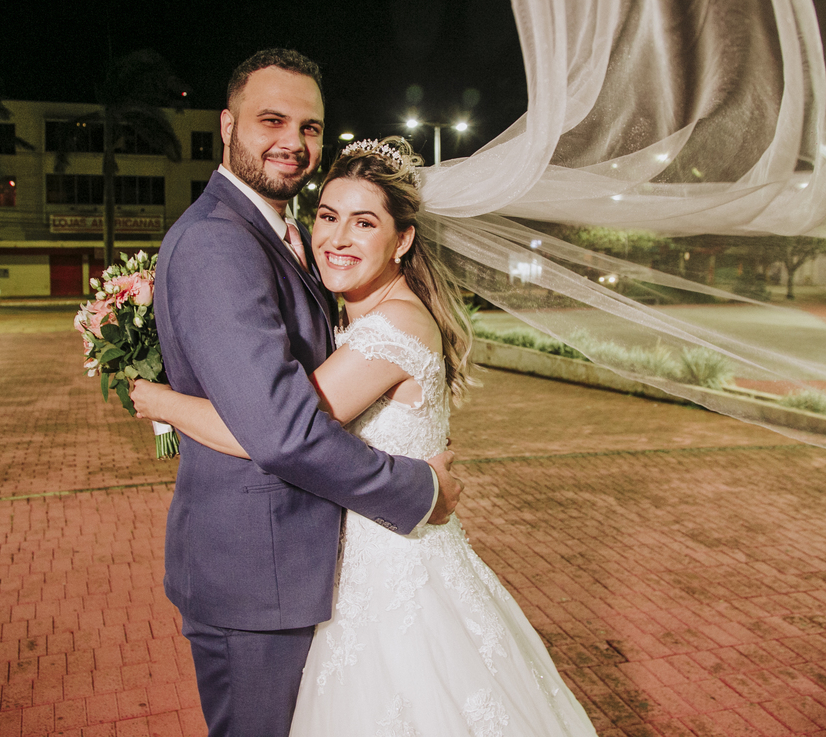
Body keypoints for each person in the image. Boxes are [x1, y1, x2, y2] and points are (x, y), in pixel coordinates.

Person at [135, 136, 597, 736]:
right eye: (328, 217)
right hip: (366, 563)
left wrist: (161, 401)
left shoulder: (389, 331)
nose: (337, 237)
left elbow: (271, 432)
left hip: (392, 580)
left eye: (364, 222)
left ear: (402, 240)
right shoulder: (367, 319)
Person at [150, 49, 462, 737]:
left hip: (309, 569)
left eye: (310, 126)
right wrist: (417, 490)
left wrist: (165, 402)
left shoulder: (277, 236)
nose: (293, 141)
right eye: (272, 120)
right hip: (256, 575)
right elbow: (281, 428)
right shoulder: (219, 243)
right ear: (227, 125)